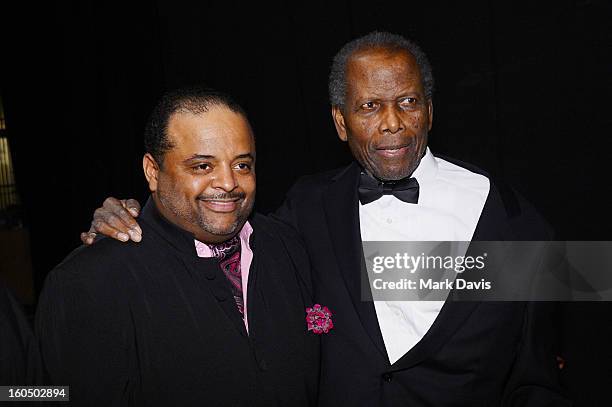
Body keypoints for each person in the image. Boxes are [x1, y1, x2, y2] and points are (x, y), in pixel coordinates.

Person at [80, 32, 569, 406]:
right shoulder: (307, 208)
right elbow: (214, 225)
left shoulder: (510, 218)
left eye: (407, 101)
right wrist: (132, 212)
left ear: (430, 111)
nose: (392, 122)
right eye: (369, 106)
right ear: (341, 122)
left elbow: (539, 376)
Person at [36, 88, 319, 406]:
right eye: (202, 166)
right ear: (152, 172)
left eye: (242, 165)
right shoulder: (90, 281)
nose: (228, 183)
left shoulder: (288, 246)